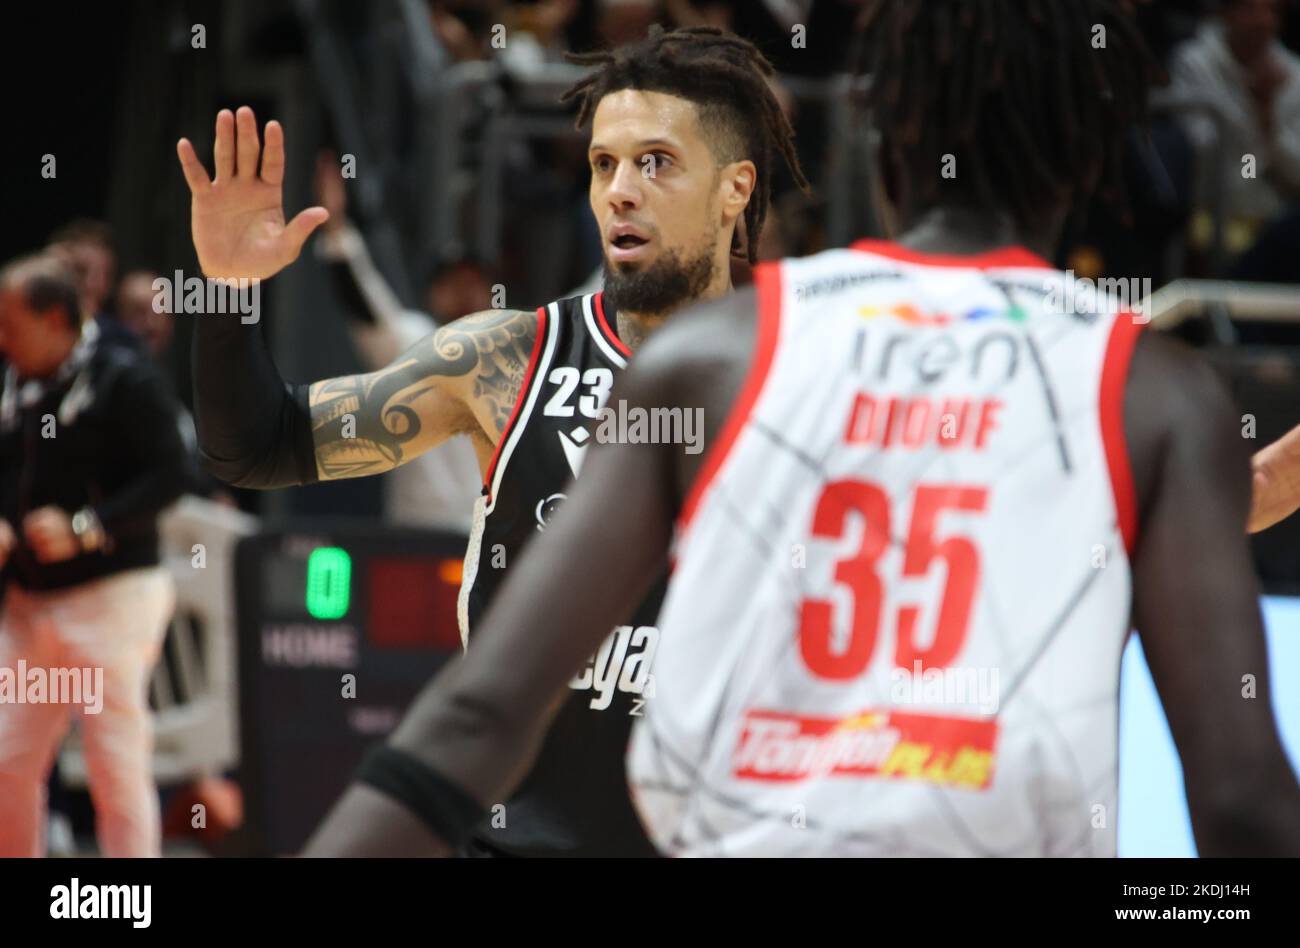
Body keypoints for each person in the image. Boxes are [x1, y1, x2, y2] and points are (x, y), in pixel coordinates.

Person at [304, 0, 1300, 858]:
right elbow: (1241, 804)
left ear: (884, 134)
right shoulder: (1147, 393)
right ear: (1092, 153)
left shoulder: (724, 354)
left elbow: (483, 709)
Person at [177, 26, 806, 856]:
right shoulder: (506, 357)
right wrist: (227, 291)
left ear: (735, 189)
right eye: (603, 164)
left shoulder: (809, 369)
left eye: (655, 162)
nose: (620, 189)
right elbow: (256, 447)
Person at [0, 254, 188, 857]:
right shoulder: (11, 382)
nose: (0, 338)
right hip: (30, 603)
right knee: (6, 758)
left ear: (55, 318)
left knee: (114, 764)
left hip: (112, 600)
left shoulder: (123, 377)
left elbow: (172, 474)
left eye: (9, 324)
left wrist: (87, 527)